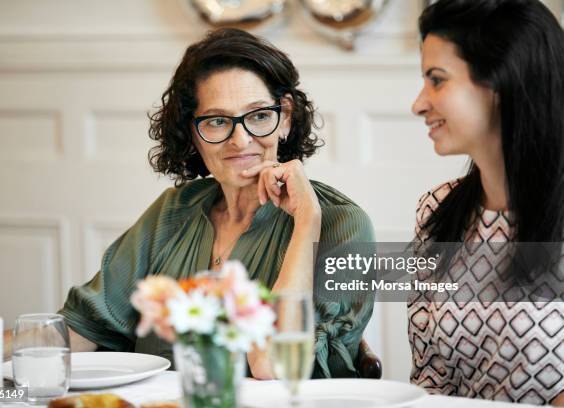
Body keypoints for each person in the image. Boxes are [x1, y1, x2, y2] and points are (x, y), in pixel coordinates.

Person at [56, 28, 374, 379]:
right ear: (193, 133)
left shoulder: (343, 225)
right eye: (218, 121)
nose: (240, 140)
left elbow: (274, 365)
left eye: (258, 116)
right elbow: (82, 329)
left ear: (284, 117)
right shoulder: (173, 212)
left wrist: (306, 221)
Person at [408, 0, 564, 404]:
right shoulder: (435, 213)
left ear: (501, 81)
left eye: (437, 80)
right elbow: (429, 382)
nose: (419, 104)